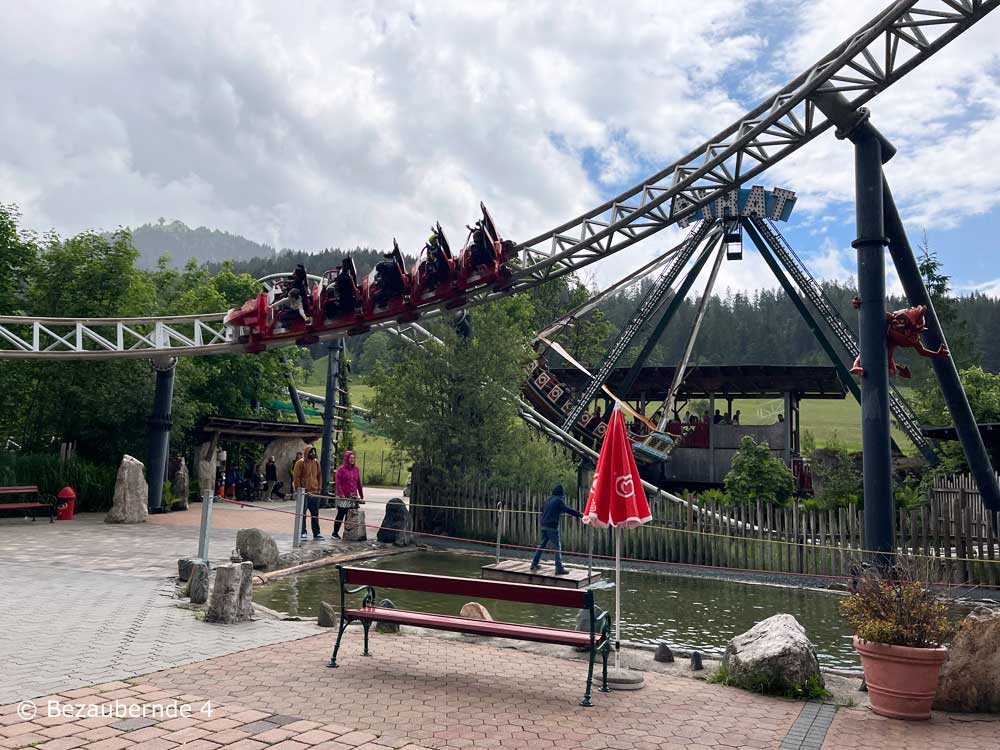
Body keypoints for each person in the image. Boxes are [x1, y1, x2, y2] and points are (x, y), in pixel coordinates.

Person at [530, 484, 581, 575]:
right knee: (557, 547)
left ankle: (534, 564)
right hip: (552, 526)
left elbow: (544, 510)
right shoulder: (559, 500)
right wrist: (580, 514)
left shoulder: (548, 500)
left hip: (543, 525)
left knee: (541, 545)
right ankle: (559, 568)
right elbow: (567, 510)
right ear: (561, 494)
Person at [292, 447, 324, 541]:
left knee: (315, 513)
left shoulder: (316, 462)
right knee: (303, 513)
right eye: (311, 452)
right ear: (307, 452)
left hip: (314, 492)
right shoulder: (300, 463)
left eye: (314, 451)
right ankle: (303, 532)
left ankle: (316, 533)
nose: (313, 453)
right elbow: (296, 477)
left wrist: (319, 488)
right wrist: (299, 489)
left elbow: (319, 476)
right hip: (304, 493)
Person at [333, 450, 364, 539]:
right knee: (341, 514)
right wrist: (341, 494)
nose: (352, 459)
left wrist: (361, 495)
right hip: (343, 497)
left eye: (353, 458)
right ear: (346, 458)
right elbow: (338, 483)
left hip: (352, 497)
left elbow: (358, 483)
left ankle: (347, 533)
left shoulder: (356, 469)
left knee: (350, 516)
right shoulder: (341, 469)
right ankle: (335, 533)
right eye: (350, 458)